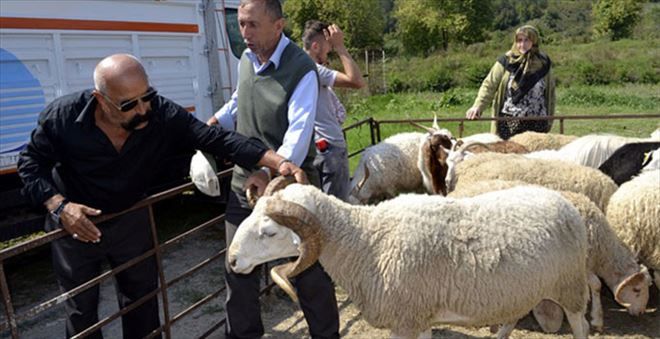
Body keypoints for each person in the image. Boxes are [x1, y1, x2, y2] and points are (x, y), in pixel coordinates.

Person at [17, 53, 305, 339]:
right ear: (101, 99)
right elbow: (29, 164)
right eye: (129, 104)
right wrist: (59, 206)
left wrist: (276, 161)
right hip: (76, 225)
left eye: (147, 96)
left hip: (131, 215)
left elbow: (213, 138)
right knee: (81, 312)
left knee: (142, 301)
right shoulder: (63, 117)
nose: (143, 109)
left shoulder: (159, 112)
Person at [206, 0, 340, 338]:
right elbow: (240, 99)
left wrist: (269, 172)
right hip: (244, 183)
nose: (244, 33)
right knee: (237, 267)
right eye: (240, 24)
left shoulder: (301, 69)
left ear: (278, 26)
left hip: (290, 187)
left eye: (252, 25)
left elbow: (299, 132)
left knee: (308, 270)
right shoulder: (247, 61)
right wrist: (215, 122)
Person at [302, 20, 365, 201]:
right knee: (338, 208)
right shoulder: (314, 69)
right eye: (327, 47)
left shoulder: (297, 67)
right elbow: (356, 81)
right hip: (329, 147)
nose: (329, 52)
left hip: (315, 147)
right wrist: (340, 47)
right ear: (315, 46)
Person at [465, 25, 555, 140]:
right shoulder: (506, 60)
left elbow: (550, 93)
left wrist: (549, 119)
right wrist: (477, 106)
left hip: (538, 122)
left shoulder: (544, 63)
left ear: (534, 41)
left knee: (536, 156)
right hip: (510, 121)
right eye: (519, 40)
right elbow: (489, 85)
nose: (522, 44)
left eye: (526, 40)